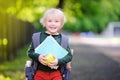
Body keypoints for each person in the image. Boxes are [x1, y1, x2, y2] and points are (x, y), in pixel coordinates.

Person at [27, 8, 73, 80]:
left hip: (56, 73)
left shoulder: (63, 40)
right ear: (44, 22)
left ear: (61, 24)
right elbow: (30, 52)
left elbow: (69, 56)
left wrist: (58, 61)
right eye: (49, 21)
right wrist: (38, 57)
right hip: (39, 73)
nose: (53, 24)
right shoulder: (38, 37)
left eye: (56, 21)